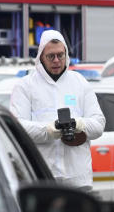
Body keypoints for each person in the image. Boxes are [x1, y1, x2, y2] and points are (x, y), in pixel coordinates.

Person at [10, 29, 106, 191]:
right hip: (41, 176)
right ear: (41, 56)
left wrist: (78, 124)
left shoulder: (80, 83)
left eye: (60, 55)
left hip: (77, 179)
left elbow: (99, 125)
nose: (56, 60)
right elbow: (17, 128)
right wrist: (49, 130)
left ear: (66, 54)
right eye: (50, 56)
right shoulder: (25, 86)